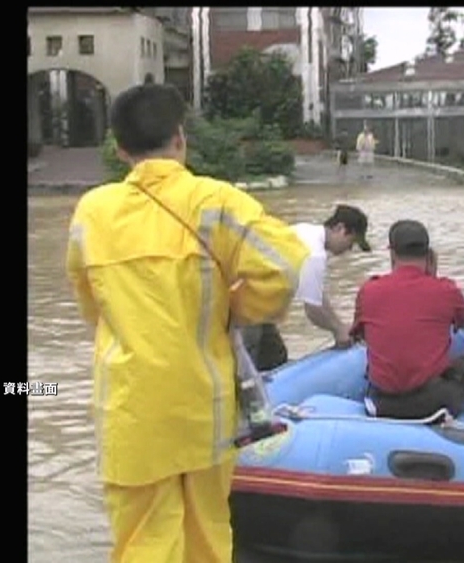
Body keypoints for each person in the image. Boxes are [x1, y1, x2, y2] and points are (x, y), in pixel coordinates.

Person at [65, 83, 309, 563]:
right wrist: (242, 310)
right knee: (207, 536)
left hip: (129, 409)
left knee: (142, 543)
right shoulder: (215, 201)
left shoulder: (91, 213)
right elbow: (283, 267)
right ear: (180, 138)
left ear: (119, 148)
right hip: (204, 405)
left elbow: (91, 305)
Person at [351, 220, 464, 419]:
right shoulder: (445, 290)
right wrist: (432, 277)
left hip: (383, 403)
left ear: (391, 253)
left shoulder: (368, 291)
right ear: (429, 254)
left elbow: (361, 335)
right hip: (434, 401)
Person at [241, 204, 373, 371]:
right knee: (246, 362)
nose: (349, 249)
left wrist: (340, 326)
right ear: (340, 228)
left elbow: (317, 296)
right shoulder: (315, 253)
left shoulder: (306, 230)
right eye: (351, 242)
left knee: (275, 355)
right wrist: (338, 331)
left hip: (257, 299)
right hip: (244, 298)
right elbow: (313, 310)